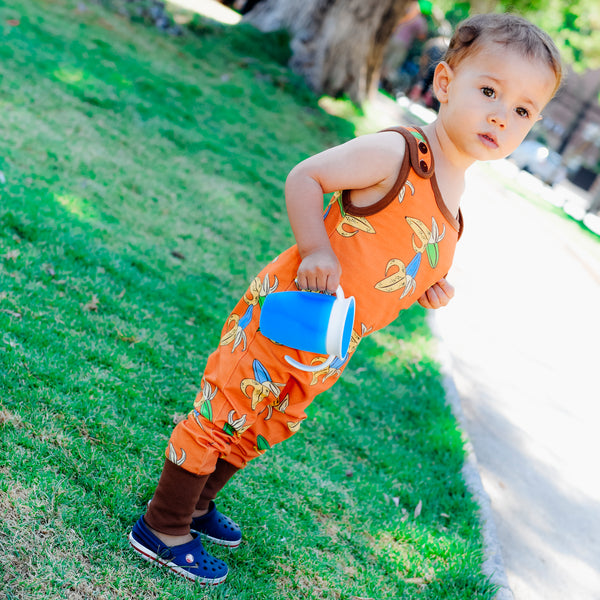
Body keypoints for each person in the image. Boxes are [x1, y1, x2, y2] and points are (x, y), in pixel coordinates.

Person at [128, 13, 563, 585]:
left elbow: (396, 261)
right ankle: (163, 525)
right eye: (489, 91)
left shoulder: (454, 207)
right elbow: (305, 177)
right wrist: (316, 250)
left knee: (265, 422)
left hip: (330, 340)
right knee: (227, 409)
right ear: (444, 83)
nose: (501, 115)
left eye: (522, 111)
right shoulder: (399, 154)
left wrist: (429, 288)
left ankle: (199, 505)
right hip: (290, 310)